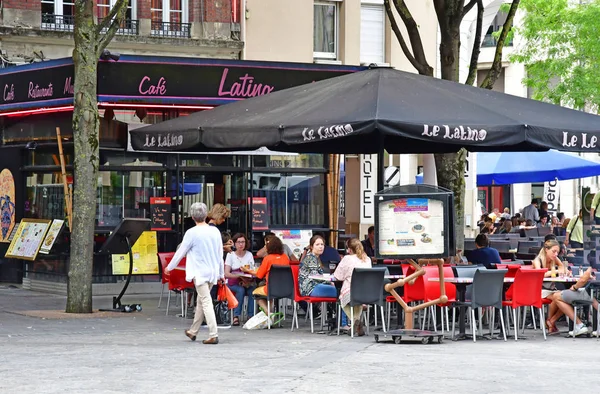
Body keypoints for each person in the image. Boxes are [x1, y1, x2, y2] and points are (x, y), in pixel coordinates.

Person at [165, 202, 223, 345]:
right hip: (212, 271)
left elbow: (180, 252)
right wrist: (221, 273)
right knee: (202, 301)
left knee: (205, 301)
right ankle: (193, 331)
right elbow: (220, 253)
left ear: (192, 217)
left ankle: (213, 333)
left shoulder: (191, 233)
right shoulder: (214, 231)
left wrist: (169, 267)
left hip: (200, 272)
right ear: (205, 215)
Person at [532, 239, 585, 336]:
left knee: (564, 297)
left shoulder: (554, 258)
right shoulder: (537, 260)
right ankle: (552, 321)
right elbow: (540, 274)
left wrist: (564, 271)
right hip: (538, 290)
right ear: (546, 250)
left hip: (551, 289)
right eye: (554, 251)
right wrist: (556, 271)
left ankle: (551, 321)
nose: (556, 254)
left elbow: (562, 267)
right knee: (561, 297)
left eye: (557, 252)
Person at [333, 238, 372, 336]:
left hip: (351, 293)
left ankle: (355, 320)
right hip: (367, 294)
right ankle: (358, 323)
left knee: (342, 301)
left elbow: (338, 276)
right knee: (357, 303)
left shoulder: (347, 259)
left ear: (349, 249)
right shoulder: (367, 259)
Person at [224, 233, 256, 326]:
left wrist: (247, 280)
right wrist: (238, 276)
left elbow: (252, 270)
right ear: (234, 243)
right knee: (240, 290)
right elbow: (227, 273)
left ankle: (250, 316)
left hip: (247, 281)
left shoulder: (249, 254)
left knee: (252, 291)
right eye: (238, 242)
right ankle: (236, 316)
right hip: (232, 282)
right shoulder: (230, 255)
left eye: (243, 242)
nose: (241, 244)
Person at [253, 235, 290, 313]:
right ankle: (270, 315)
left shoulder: (268, 258)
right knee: (269, 296)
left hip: (270, 289)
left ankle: (268, 314)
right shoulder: (285, 257)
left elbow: (259, 275)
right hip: (285, 289)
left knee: (256, 293)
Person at [561, 267, 599, 337]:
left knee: (556, 296)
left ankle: (580, 325)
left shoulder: (591, 262)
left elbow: (583, 280)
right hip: (592, 291)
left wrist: (575, 287)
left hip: (589, 293)